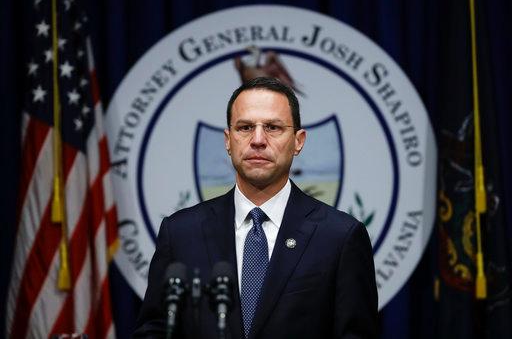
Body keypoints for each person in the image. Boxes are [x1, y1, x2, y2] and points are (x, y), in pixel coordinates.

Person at [133, 77, 378, 338]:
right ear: (228, 140)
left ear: (299, 141)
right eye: (245, 127)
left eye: (273, 127)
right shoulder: (181, 233)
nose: (258, 140)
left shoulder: (340, 237)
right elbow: (153, 331)